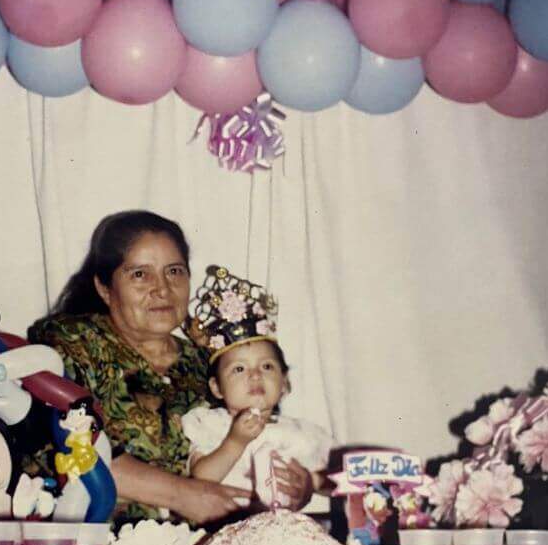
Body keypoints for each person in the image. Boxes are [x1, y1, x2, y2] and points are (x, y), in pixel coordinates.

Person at [29, 211, 314, 525]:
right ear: (105, 288)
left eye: (174, 271)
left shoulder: (211, 362)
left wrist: (298, 487)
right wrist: (184, 495)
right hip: (91, 542)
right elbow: (64, 444)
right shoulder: (70, 342)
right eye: (140, 274)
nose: (162, 288)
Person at [182, 265, 333, 511]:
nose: (254, 375)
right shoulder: (211, 425)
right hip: (226, 532)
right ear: (217, 387)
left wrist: (311, 481)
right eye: (239, 369)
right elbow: (201, 480)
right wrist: (235, 442)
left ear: (284, 384)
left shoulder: (300, 433)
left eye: (266, 367)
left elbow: (340, 480)